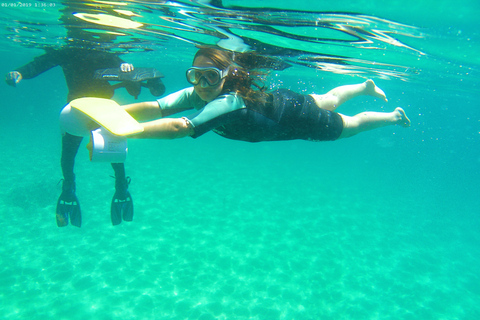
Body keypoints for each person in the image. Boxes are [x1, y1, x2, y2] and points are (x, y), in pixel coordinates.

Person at [5, 46, 165, 227]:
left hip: (80, 109)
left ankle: (71, 186)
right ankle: (118, 186)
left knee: (69, 155)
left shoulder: (72, 51)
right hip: (98, 109)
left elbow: (42, 63)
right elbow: (41, 63)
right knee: (110, 152)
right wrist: (21, 72)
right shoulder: (92, 51)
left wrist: (127, 69)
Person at [117, 46, 409, 145]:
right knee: (327, 99)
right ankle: (364, 87)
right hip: (282, 102)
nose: (202, 83)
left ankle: (393, 116)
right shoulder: (198, 91)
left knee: (351, 126)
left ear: (226, 78)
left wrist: (126, 132)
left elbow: (180, 127)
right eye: (196, 75)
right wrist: (116, 113)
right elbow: (156, 107)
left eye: (211, 76)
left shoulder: (228, 102)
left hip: (297, 118)